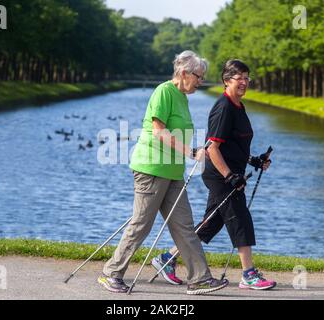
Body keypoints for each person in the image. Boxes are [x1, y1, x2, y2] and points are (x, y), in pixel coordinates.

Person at [98, 51, 229, 295]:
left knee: (184, 226)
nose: (201, 82)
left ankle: (199, 278)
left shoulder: (182, 97)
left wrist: (196, 151)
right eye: (199, 77)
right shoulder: (164, 92)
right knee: (141, 224)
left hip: (172, 172)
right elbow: (159, 132)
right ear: (183, 73)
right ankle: (111, 273)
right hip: (151, 169)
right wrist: (191, 152)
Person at [153, 59, 277, 290]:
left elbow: (233, 146)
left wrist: (254, 160)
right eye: (239, 78)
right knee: (240, 218)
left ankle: (167, 259)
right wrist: (230, 176)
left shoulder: (238, 106)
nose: (244, 83)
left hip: (228, 172)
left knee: (211, 222)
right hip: (220, 175)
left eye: (247, 78)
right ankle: (248, 274)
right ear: (226, 81)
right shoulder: (224, 107)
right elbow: (212, 147)